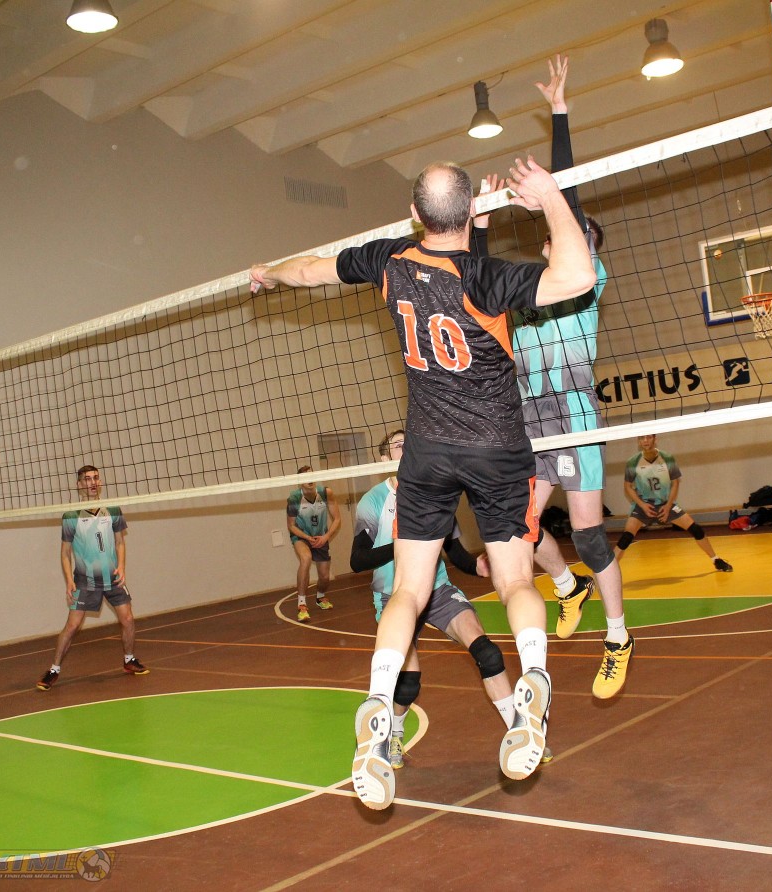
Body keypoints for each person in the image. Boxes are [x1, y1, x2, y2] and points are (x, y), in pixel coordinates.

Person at [251, 152, 596, 810]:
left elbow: (310, 269)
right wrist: (549, 195)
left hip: (428, 453)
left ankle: (380, 705)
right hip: (496, 449)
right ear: (470, 211)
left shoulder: (389, 261)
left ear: (414, 215)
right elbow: (577, 274)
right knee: (516, 583)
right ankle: (533, 686)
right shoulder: (487, 277)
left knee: (408, 591)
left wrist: (269, 273)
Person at [472, 55, 632, 699]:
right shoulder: (524, 290)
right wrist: (481, 228)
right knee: (518, 531)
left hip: (575, 418)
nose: (569, 240)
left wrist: (560, 114)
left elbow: (569, 198)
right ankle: (567, 588)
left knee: (589, 535)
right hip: (529, 423)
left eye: (582, 237)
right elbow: (476, 283)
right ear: (543, 247)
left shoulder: (584, 282)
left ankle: (617, 636)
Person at [351, 428, 552, 769]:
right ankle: (393, 733)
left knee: (487, 652)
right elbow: (357, 560)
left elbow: (453, 551)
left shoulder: (434, 490)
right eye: (397, 445)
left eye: (408, 442)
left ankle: (521, 730)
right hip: (394, 595)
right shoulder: (372, 501)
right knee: (408, 684)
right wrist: (407, 545)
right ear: (383, 457)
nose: (405, 448)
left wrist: (476, 566)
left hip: (439, 590)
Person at [36, 465, 149, 690]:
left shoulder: (113, 509)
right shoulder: (71, 516)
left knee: (127, 619)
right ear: (79, 484)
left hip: (112, 577)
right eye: (87, 479)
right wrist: (69, 581)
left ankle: (129, 659)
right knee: (72, 626)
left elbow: (120, 542)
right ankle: (54, 670)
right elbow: (65, 553)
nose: (92, 482)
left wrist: (122, 567)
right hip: (85, 580)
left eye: (96, 478)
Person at [614, 435, 734, 573]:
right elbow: (627, 486)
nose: (645, 441)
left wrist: (667, 506)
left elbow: (675, 483)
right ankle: (608, 571)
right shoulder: (633, 462)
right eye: (642, 438)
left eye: (648, 437)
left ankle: (716, 560)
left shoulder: (667, 458)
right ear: (638, 441)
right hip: (644, 505)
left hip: (666, 504)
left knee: (696, 529)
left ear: (655, 439)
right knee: (626, 537)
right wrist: (642, 505)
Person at [286, 466, 341, 621]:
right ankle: (302, 605)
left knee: (325, 577)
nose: (309, 480)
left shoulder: (326, 493)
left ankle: (320, 597)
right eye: (305, 477)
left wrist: (326, 537)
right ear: (300, 481)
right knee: (306, 558)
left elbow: (337, 519)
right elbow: (291, 526)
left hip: (321, 536)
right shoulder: (294, 498)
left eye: (311, 476)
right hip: (301, 536)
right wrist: (307, 537)